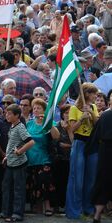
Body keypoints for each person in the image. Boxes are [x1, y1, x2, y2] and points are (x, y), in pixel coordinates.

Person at [65, 83, 100, 219]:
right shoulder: (74, 108)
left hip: (92, 144)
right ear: (86, 94)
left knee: (90, 178)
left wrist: (91, 113)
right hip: (79, 143)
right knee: (77, 178)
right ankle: (74, 210)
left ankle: (88, 208)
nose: (95, 96)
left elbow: (97, 125)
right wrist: (81, 119)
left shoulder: (93, 107)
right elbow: (72, 129)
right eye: (93, 93)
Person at [0, 104, 35, 222]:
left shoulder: (20, 127)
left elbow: (30, 142)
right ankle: (5, 212)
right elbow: (12, 143)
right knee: (6, 187)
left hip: (19, 164)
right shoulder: (13, 126)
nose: (6, 115)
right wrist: (7, 157)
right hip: (11, 162)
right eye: (6, 113)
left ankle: (17, 214)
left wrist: (19, 152)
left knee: (18, 189)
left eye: (9, 114)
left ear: (17, 115)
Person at [25, 98, 60, 216]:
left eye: (38, 108)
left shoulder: (48, 123)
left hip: (44, 159)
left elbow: (56, 137)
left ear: (44, 111)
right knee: (34, 184)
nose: (35, 110)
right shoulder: (29, 123)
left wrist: (48, 123)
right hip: (30, 159)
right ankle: (37, 208)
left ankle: (48, 207)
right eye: (34, 108)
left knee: (45, 183)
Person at [88, 107, 112, 223]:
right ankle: (97, 215)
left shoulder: (104, 116)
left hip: (105, 153)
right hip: (106, 151)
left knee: (102, 183)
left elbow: (95, 136)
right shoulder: (105, 115)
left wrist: (88, 150)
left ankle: (97, 216)